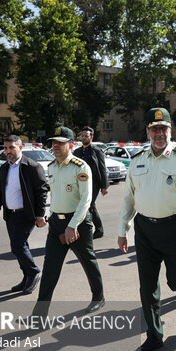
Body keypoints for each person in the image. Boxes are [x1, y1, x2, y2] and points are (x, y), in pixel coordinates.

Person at [117, 107, 176, 351]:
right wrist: (123, 229)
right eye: (154, 129)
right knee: (147, 287)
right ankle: (154, 336)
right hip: (145, 230)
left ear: (170, 131)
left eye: (163, 129)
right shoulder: (137, 160)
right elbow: (129, 198)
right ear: (147, 131)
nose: (159, 133)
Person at [33, 126, 105, 315]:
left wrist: (72, 225)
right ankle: (39, 315)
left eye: (60, 143)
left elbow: (86, 199)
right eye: (53, 142)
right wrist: (49, 217)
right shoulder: (51, 167)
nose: (55, 146)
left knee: (87, 261)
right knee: (50, 268)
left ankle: (99, 297)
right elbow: (54, 197)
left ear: (71, 145)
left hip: (78, 223)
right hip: (57, 224)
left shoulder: (80, 167)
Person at [0, 135, 48, 294]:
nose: (8, 151)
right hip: (10, 214)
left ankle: (33, 272)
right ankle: (26, 277)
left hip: (26, 214)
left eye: (12, 148)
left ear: (20, 147)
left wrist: (40, 215)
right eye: (6, 148)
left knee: (17, 246)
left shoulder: (32, 166)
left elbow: (42, 192)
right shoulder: (4, 168)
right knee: (20, 247)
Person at [72, 126, 108, 239]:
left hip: (94, 183)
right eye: (82, 136)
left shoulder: (96, 151)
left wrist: (104, 186)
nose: (83, 138)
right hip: (80, 183)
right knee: (83, 205)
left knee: (90, 205)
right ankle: (83, 228)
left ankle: (99, 230)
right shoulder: (77, 152)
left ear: (91, 137)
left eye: (86, 136)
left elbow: (102, 169)